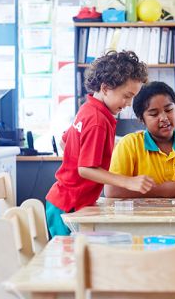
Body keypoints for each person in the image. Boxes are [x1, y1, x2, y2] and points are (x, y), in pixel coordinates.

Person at [45, 51, 154, 237]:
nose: (128, 103)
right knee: (70, 260)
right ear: (105, 88)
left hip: (64, 200)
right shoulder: (98, 120)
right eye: (126, 96)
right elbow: (85, 169)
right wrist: (128, 181)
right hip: (69, 205)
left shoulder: (87, 108)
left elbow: (65, 141)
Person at [105, 81, 175, 198]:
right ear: (141, 119)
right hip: (143, 214)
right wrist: (158, 190)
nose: (164, 118)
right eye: (154, 114)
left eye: (169, 109)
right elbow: (112, 191)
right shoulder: (130, 144)